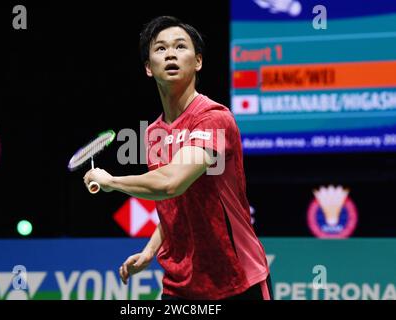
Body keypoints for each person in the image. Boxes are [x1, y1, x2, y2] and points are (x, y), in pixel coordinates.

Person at [83, 16, 272, 300]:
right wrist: (150, 250)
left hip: (236, 281)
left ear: (197, 62)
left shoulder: (213, 118)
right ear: (149, 68)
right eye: (160, 49)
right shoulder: (154, 134)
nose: (170, 53)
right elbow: (174, 206)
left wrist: (111, 181)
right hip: (180, 286)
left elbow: (172, 183)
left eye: (180, 46)